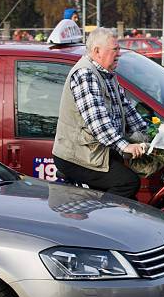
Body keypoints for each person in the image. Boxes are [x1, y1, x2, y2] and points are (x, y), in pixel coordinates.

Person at [53, 27, 147, 199]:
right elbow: (98, 122)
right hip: (78, 155)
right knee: (127, 183)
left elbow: (125, 108)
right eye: (115, 49)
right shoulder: (85, 74)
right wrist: (125, 146)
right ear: (97, 51)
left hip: (98, 150)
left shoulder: (107, 74)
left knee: (129, 201)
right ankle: (102, 224)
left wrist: (147, 134)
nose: (119, 54)